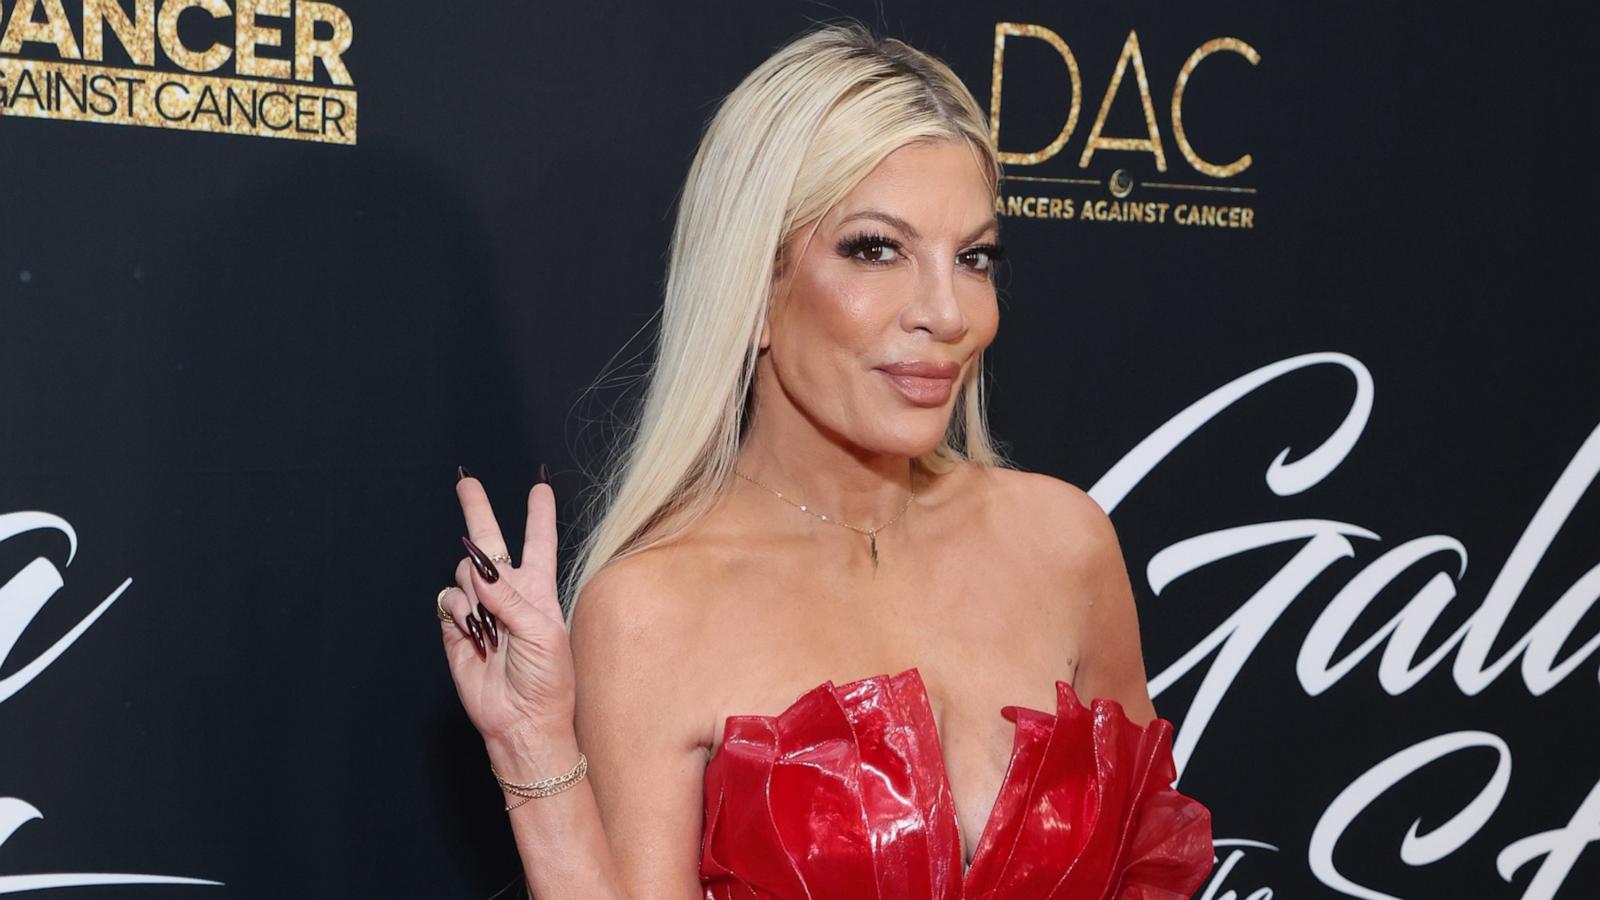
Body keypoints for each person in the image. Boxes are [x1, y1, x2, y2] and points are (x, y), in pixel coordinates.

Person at [436, 20, 1213, 900]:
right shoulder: (652, 611)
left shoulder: (1064, 542)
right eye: (875, 249)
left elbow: (1152, 868)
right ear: (753, 291)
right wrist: (532, 748)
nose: (947, 312)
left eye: (974, 257)